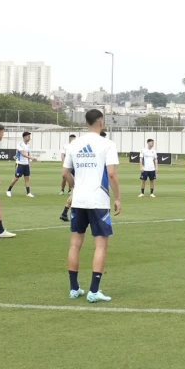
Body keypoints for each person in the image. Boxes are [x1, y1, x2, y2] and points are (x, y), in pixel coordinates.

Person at [62, 109, 121, 302]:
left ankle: (74, 288)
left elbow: (65, 173)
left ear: (85, 123)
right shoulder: (107, 144)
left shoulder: (74, 144)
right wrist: (118, 197)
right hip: (98, 201)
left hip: (78, 201)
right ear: (101, 123)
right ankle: (94, 291)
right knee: (101, 246)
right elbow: (111, 174)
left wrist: (75, 190)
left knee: (74, 245)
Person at [8, 131, 36, 197]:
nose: (29, 138)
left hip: (26, 164)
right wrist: (32, 158)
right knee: (16, 178)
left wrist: (29, 162)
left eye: (30, 137)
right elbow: (23, 154)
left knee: (27, 178)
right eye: (28, 136)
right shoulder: (20, 144)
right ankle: (9, 190)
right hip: (20, 163)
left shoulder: (28, 145)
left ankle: (28, 193)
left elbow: (28, 153)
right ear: (24, 137)